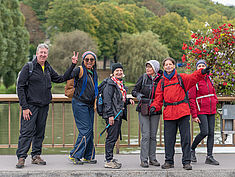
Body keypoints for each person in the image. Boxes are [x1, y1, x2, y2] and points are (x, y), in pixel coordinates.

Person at [16, 43, 78, 168]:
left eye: (45, 53)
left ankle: (36, 156)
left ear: (47, 54)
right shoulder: (29, 67)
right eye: (41, 52)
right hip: (30, 106)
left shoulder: (48, 68)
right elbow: (20, 87)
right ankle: (21, 157)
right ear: (37, 54)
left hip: (44, 106)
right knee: (26, 132)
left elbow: (61, 78)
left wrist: (73, 65)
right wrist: (25, 107)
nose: (43, 55)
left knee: (40, 132)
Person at [150, 57, 211, 170]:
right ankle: (169, 161)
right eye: (166, 65)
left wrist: (201, 72)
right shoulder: (162, 82)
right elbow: (158, 98)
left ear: (174, 65)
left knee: (186, 139)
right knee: (169, 140)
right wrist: (154, 107)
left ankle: (186, 162)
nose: (168, 66)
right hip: (169, 114)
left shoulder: (181, 78)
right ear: (163, 67)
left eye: (170, 64)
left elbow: (193, 77)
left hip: (182, 112)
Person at [102, 63, 135, 169]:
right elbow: (107, 101)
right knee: (111, 138)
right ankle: (108, 160)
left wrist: (128, 101)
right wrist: (110, 115)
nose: (119, 72)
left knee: (114, 136)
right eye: (117, 71)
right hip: (113, 115)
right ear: (113, 73)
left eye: (121, 70)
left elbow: (119, 100)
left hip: (118, 114)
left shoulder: (119, 84)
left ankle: (110, 158)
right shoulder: (110, 84)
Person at [69, 51, 98, 165]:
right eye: (87, 59)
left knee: (90, 129)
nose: (89, 61)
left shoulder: (93, 73)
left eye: (92, 60)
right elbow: (67, 76)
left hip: (90, 104)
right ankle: (74, 154)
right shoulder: (79, 70)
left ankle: (88, 156)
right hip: (79, 103)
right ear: (83, 60)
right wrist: (73, 64)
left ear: (94, 62)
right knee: (85, 130)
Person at [132, 60, 162, 168]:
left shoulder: (161, 79)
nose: (148, 69)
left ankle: (152, 159)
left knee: (153, 136)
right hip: (144, 108)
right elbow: (134, 90)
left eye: (150, 67)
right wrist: (138, 95)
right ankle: (144, 160)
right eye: (147, 67)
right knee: (146, 135)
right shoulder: (143, 77)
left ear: (155, 69)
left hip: (156, 108)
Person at [189, 60, 219, 165]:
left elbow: (213, 93)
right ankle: (192, 149)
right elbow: (191, 99)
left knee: (211, 133)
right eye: (199, 66)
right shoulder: (194, 80)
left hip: (211, 109)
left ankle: (209, 156)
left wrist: (215, 101)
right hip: (201, 110)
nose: (201, 67)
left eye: (203, 65)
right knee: (205, 132)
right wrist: (194, 115)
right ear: (196, 68)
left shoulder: (209, 79)